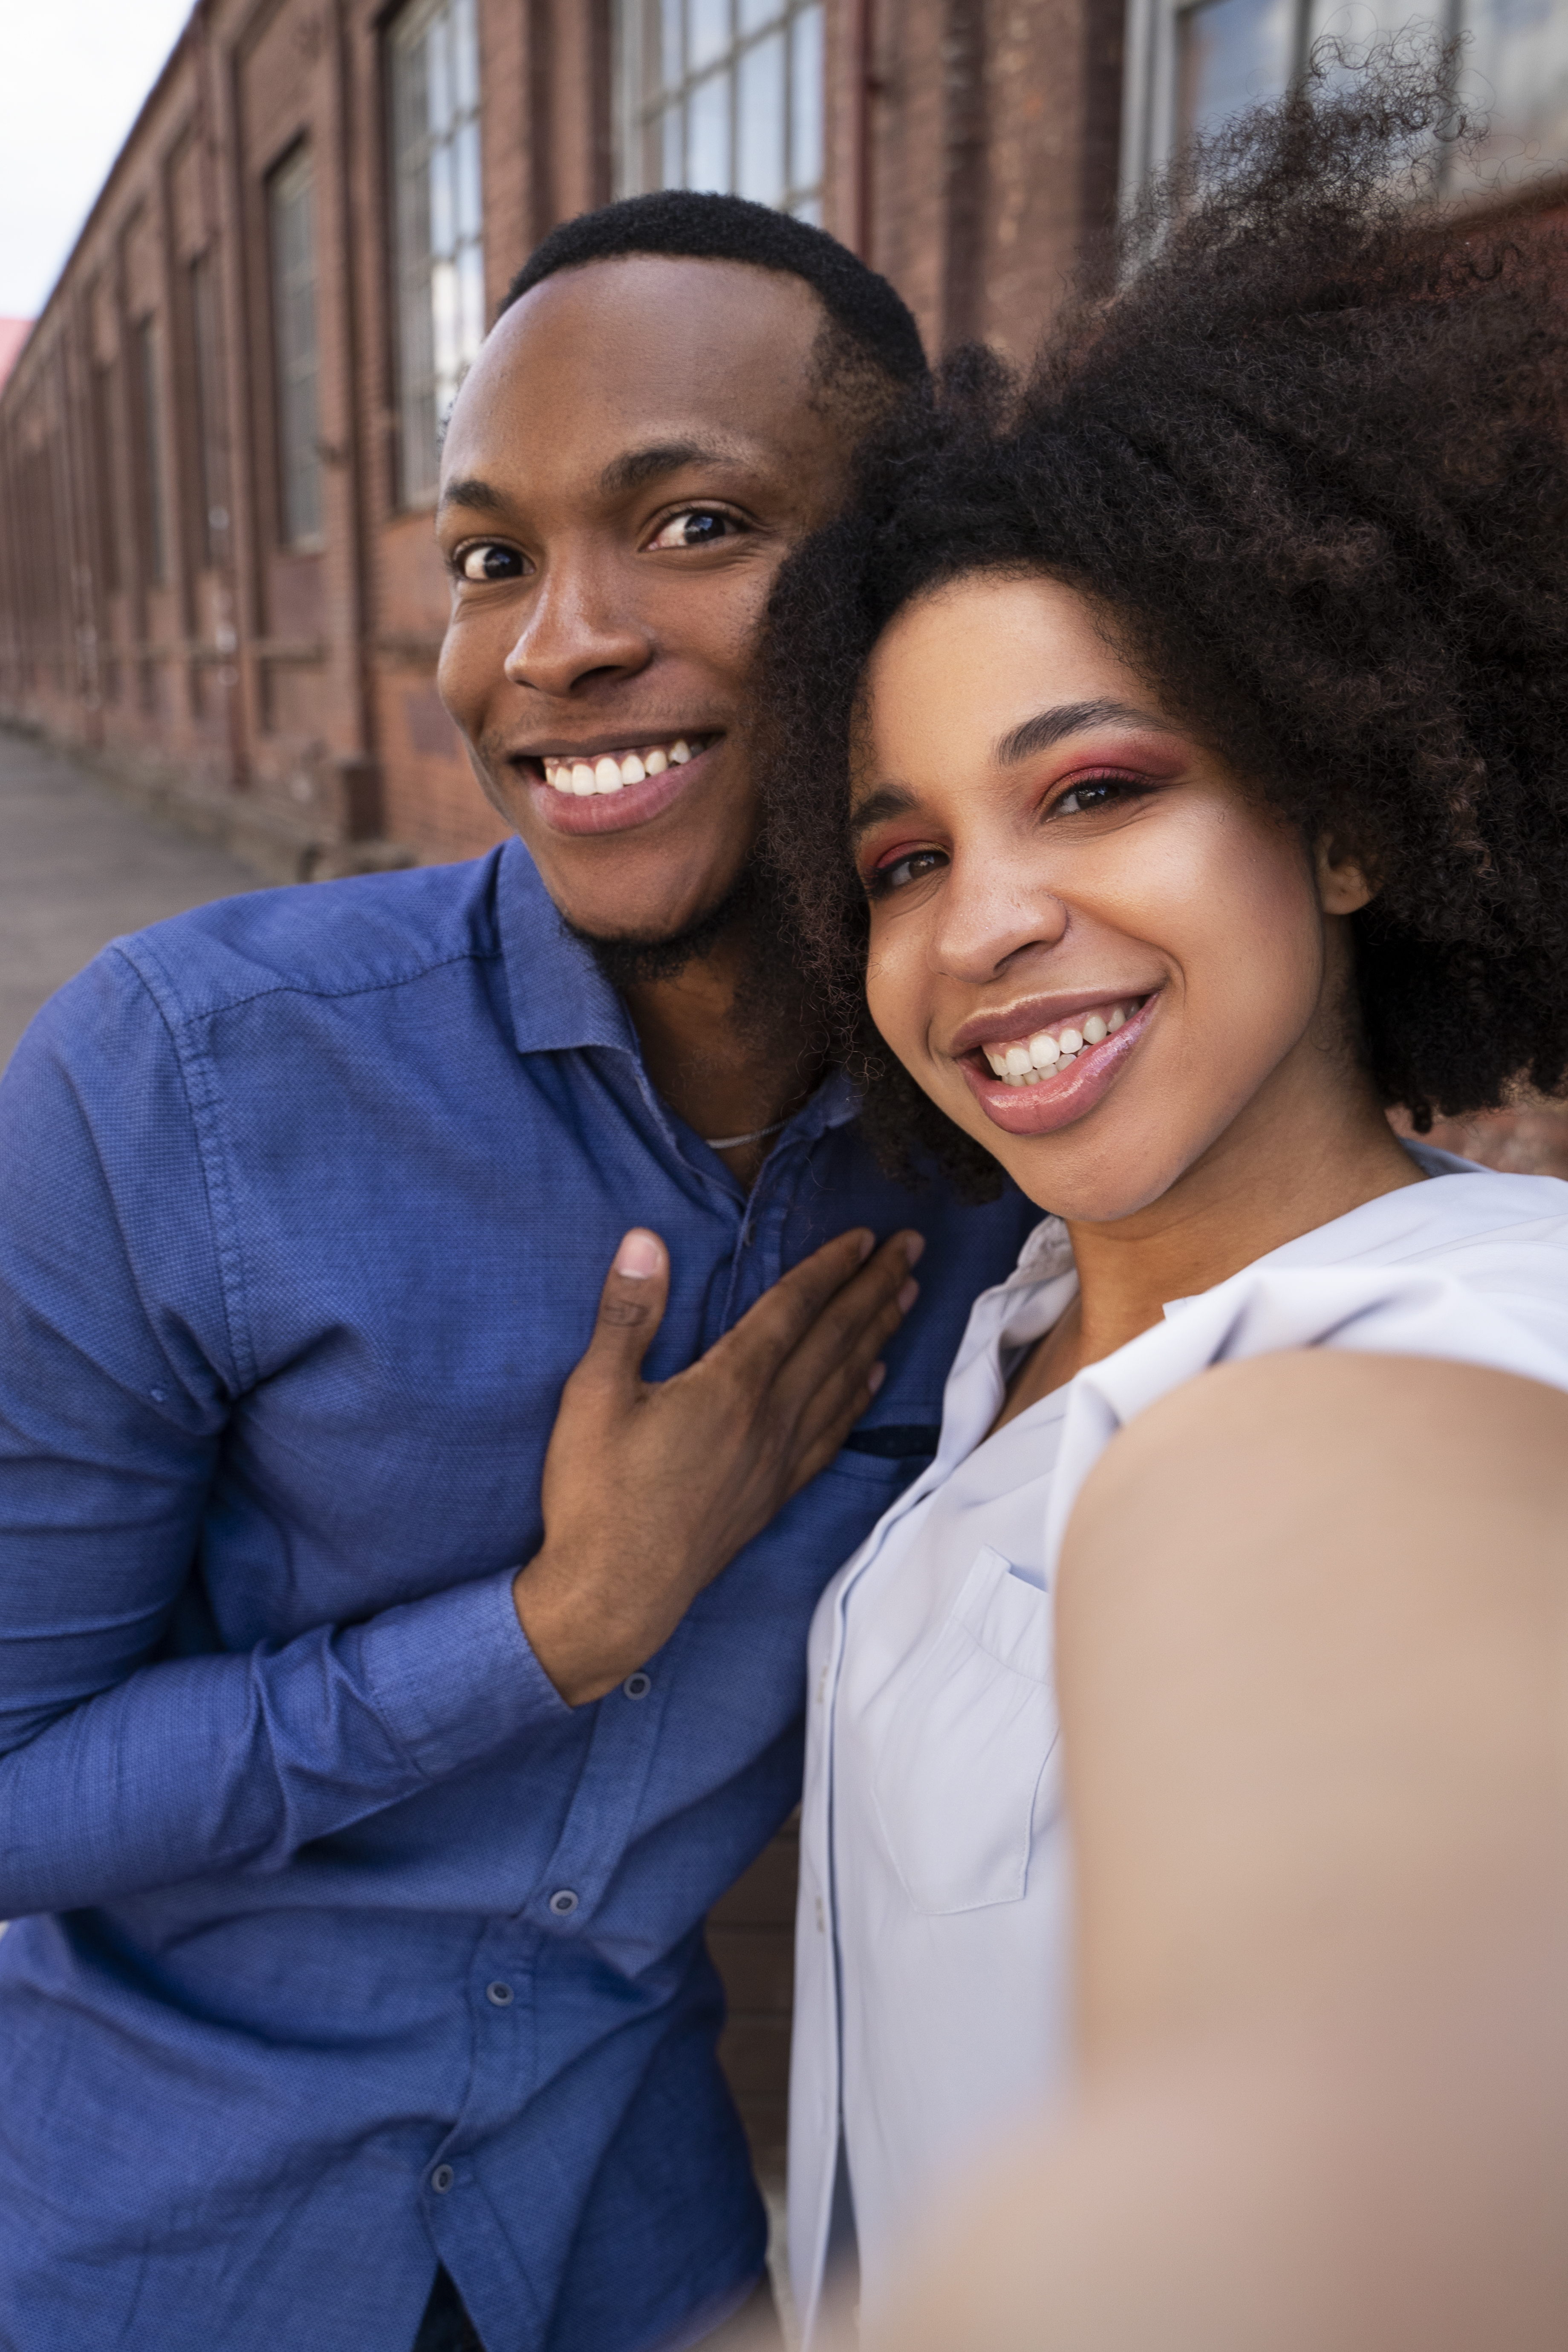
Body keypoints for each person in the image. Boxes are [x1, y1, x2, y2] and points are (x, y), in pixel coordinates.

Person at [0, 194, 1036, 2352]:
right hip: (159, 2238)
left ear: (903, 573)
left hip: (626, 2228)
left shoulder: (1024, 1133)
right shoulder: (189, 1080)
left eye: (693, 523)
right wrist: (550, 1631)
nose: (553, 640)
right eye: (490, 559)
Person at [743, 57, 1568, 2341]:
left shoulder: (1449, 1345)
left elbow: (1359, 2053)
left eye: (1095, 788)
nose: (980, 923)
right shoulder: (1004, 1322)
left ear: (1346, 820)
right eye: (904, 859)